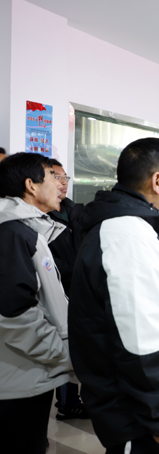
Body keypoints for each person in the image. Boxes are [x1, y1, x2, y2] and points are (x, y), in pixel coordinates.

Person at [68, 138, 159, 454]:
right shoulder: (127, 236)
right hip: (141, 419)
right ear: (157, 180)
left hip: (146, 411)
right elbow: (142, 343)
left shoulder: (131, 228)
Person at [0, 152, 74, 454]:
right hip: (18, 379)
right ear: (31, 185)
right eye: (54, 177)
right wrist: (60, 354)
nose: (61, 184)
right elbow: (14, 313)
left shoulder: (27, 230)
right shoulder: (13, 233)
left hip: (28, 373)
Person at [47, 159, 88, 420]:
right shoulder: (41, 216)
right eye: (56, 177)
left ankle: (75, 399)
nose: (62, 183)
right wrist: (74, 268)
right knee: (62, 344)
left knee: (76, 346)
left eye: (65, 178)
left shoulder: (76, 211)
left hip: (80, 290)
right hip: (58, 288)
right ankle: (66, 403)